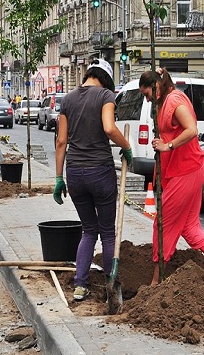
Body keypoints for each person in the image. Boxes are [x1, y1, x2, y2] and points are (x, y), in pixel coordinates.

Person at [139, 67, 204, 286]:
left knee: (161, 225)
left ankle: (156, 282)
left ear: (156, 87)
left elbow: (192, 129)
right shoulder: (165, 101)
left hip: (187, 171)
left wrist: (167, 146)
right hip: (187, 169)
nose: (146, 101)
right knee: (189, 226)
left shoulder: (174, 100)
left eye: (146, 95)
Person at [53, 58, 133, 301]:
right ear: (106, 79)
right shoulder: (106, 96)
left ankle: (80, 285)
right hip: (100, 171)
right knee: (108, 232)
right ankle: (111, 284)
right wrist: (126, 146)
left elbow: (61, 142)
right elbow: (109, 128)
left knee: (89, 230)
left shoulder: (67, 99)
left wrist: (58, 178)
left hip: (75, 173)